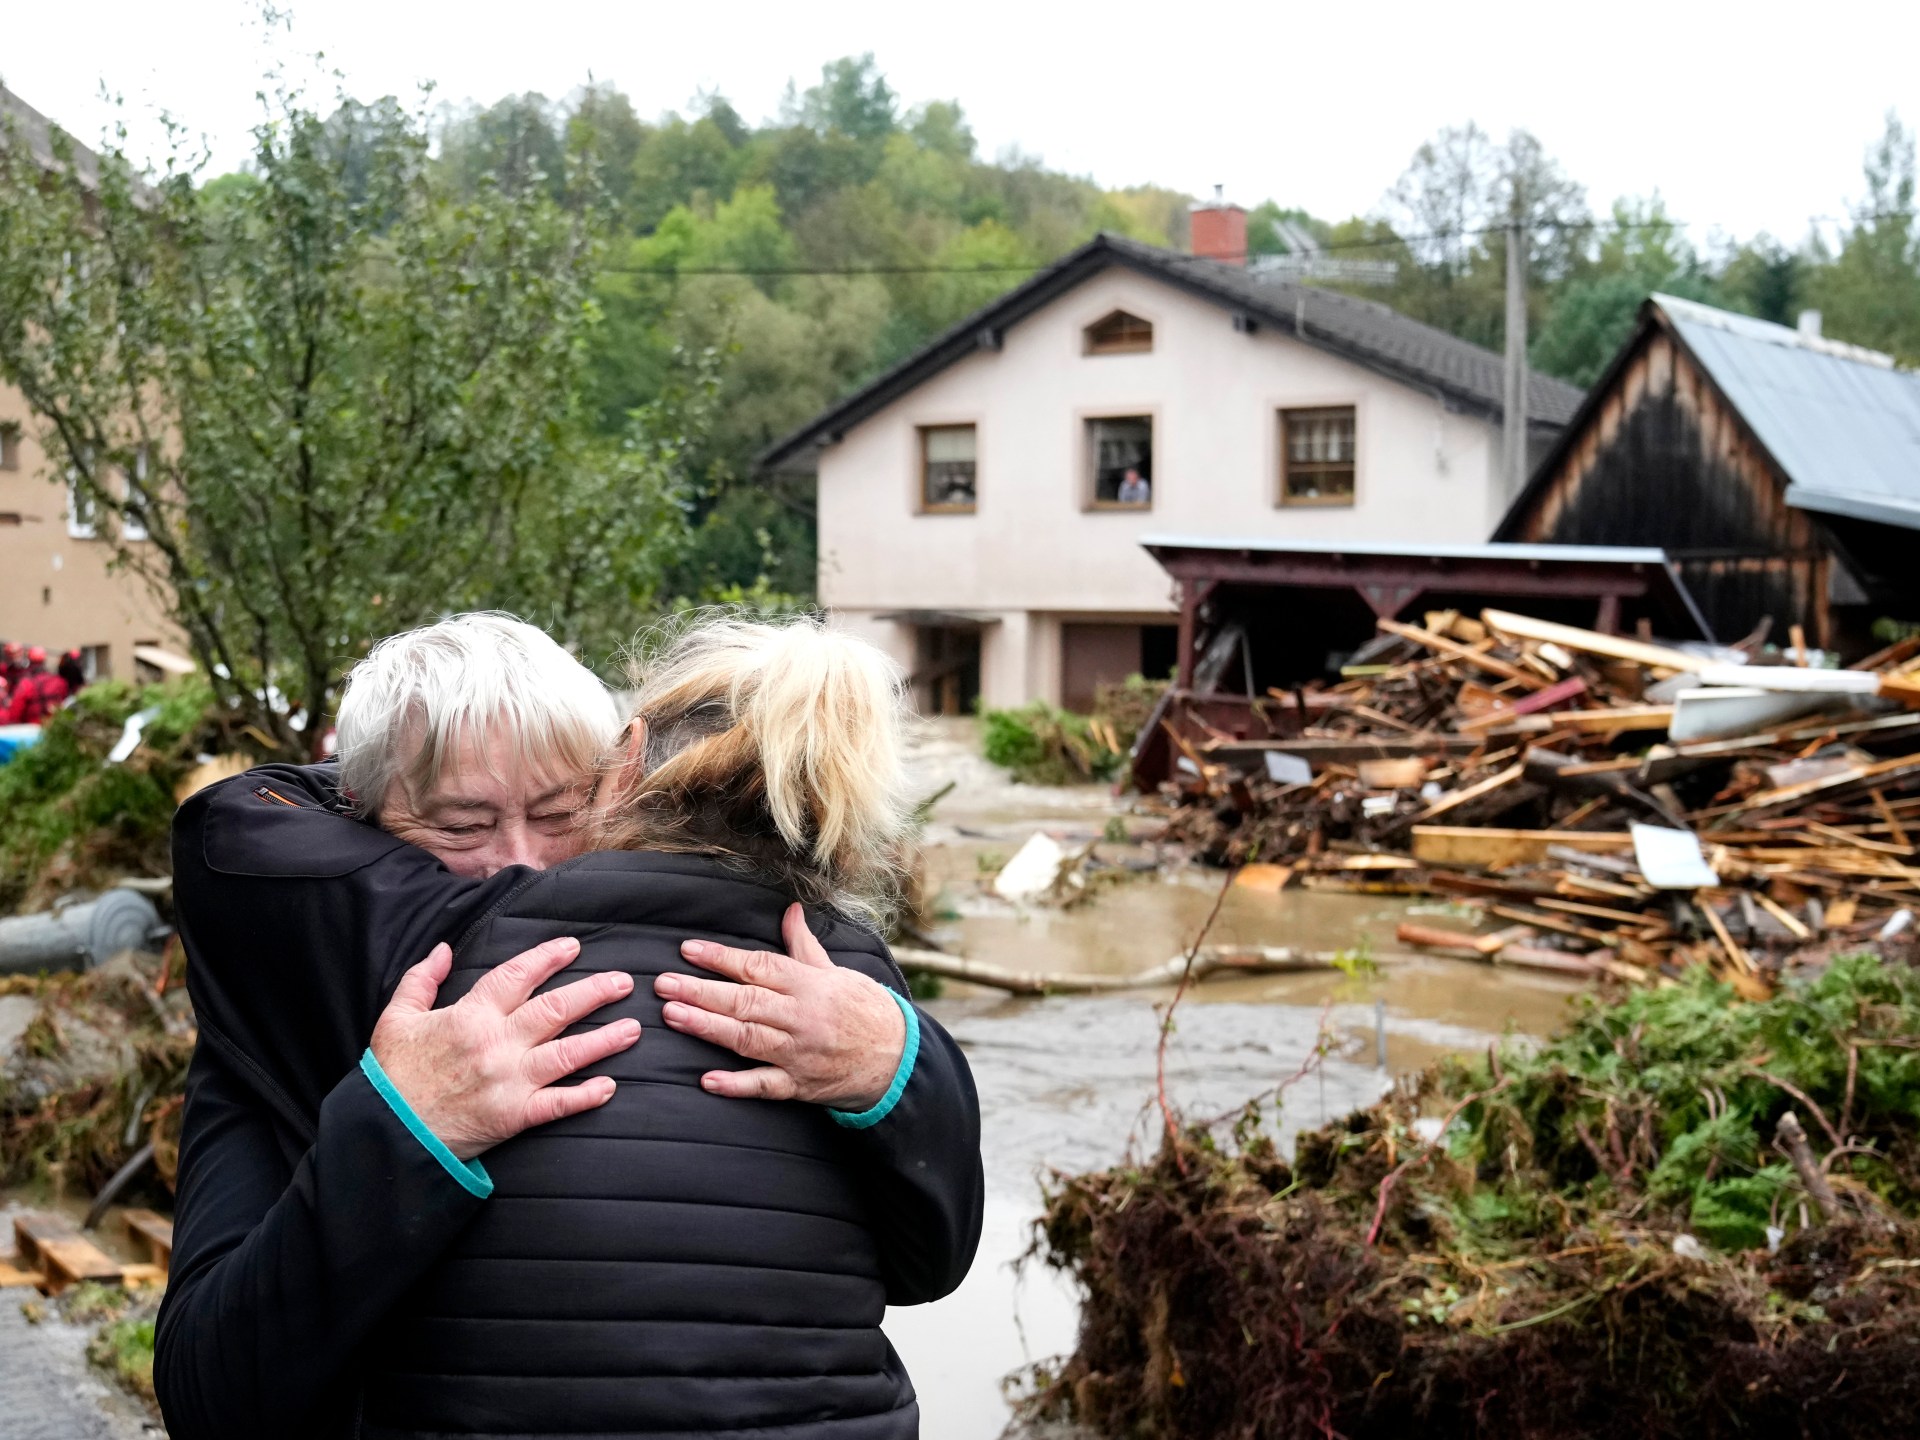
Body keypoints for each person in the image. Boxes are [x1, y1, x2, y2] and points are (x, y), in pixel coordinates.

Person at [156, 613, 982, 1439]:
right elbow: (209, 1395)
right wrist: (404, 1130)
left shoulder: (823, 995)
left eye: (559, 814)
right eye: (460, 826)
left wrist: (895, 1064)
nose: (519, 862)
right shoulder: (297, 983)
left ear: (620, 777)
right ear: (355, 821)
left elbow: (923, 1263)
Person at [3, 646, 70, 724]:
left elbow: (15, 712)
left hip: (30, 728)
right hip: (52, 727)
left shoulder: (27, 684)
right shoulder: (60, 682)